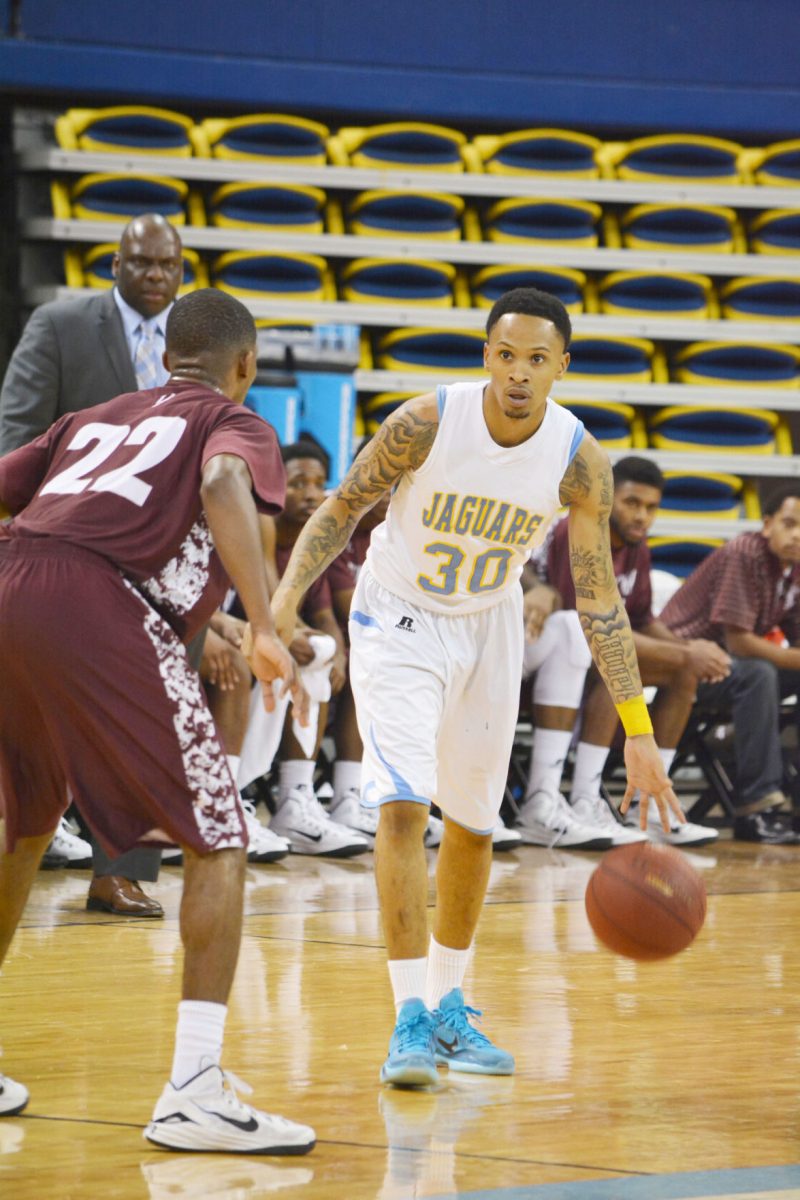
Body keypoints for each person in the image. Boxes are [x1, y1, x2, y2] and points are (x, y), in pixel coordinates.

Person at [269, 287, 681, 1089]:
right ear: (485, 354)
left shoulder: (579, 461)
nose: (519, 373)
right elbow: (345, 508)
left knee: (473, 824)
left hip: (486, 624)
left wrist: (637, 728)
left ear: (562, 365)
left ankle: (450, 1003)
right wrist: (281, 605)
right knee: (401, 805)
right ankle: (408, 1018)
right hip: (400, 614)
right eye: (505, 354)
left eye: (537, 359)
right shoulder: (427, 422)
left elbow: (597, 598)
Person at [0, 288, 315, 1153]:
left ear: (161, 355)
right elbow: (219, 482)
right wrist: (262, 624)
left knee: (24, 824)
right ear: (244, 366)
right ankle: (195, 1089)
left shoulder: (90, 418)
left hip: (12, 583)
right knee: (220, 834)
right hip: (102, 605)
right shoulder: (236, 423)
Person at [0, 211, 186, 916]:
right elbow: (19, 433)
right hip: (63, 549)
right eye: (141, 264)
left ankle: (121, 871)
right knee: (40, 713)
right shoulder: (60, 326)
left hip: (155, 560)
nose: (155, 277)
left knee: (148, 710)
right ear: (115, 264)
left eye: (167, 265)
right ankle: (31, 835)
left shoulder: (194, 338)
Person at [517, 455, 730, 848]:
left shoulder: (636, 545)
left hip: (582, 658)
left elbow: (643, 620)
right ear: (609, 497)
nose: (642, 517)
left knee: (682, 671)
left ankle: (649, 804)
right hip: (544, 661)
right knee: (618, 666)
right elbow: (584, 624)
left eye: (651, 508)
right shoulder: (576, 532)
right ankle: (584, 799)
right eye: (632, 503)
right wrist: (686, 654)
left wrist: (688, 650)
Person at [660, 485, 800, 844]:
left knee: (762, 674)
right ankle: (756, 809)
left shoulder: (794, 569)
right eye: (789, 523)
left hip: (727, 667)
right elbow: (739, 641)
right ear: (767, 524)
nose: (797, 534)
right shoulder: (745, 553)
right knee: (758, 674)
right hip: (680, 663)